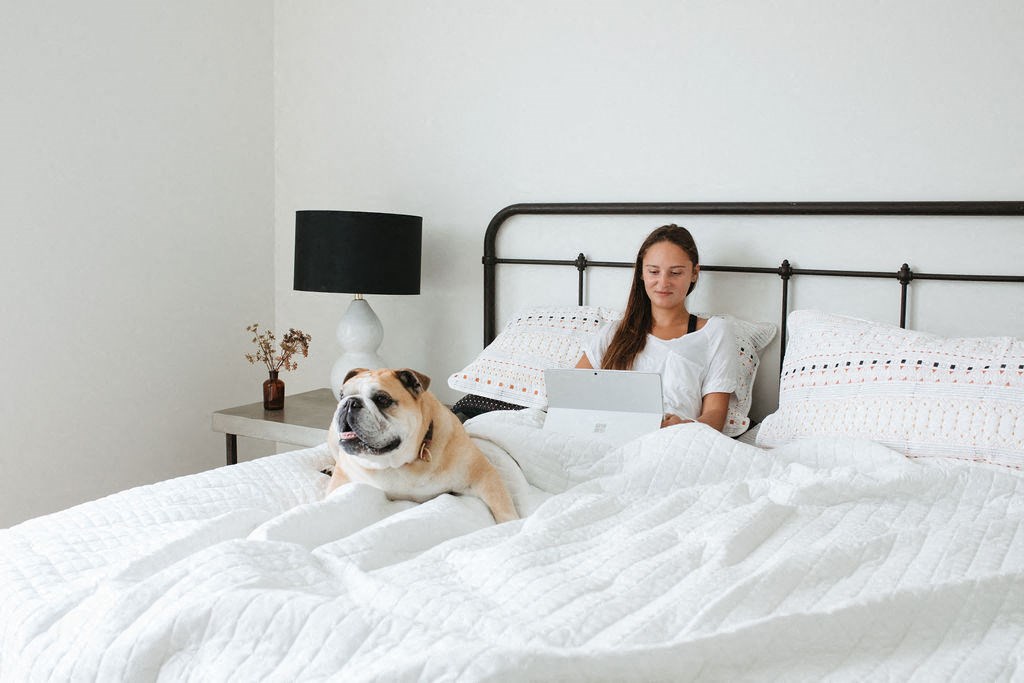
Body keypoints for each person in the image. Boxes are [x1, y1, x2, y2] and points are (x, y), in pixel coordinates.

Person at [576, 224, 738, 432]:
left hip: (678, 439)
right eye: (653, 271)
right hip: (613, 436)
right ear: (642, 273)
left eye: (675, 273)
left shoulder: (715, 332)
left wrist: (682, 426)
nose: (663, 282)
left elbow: (715, 415)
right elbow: (572, 395)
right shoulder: (614, 333)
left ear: (694, 273)